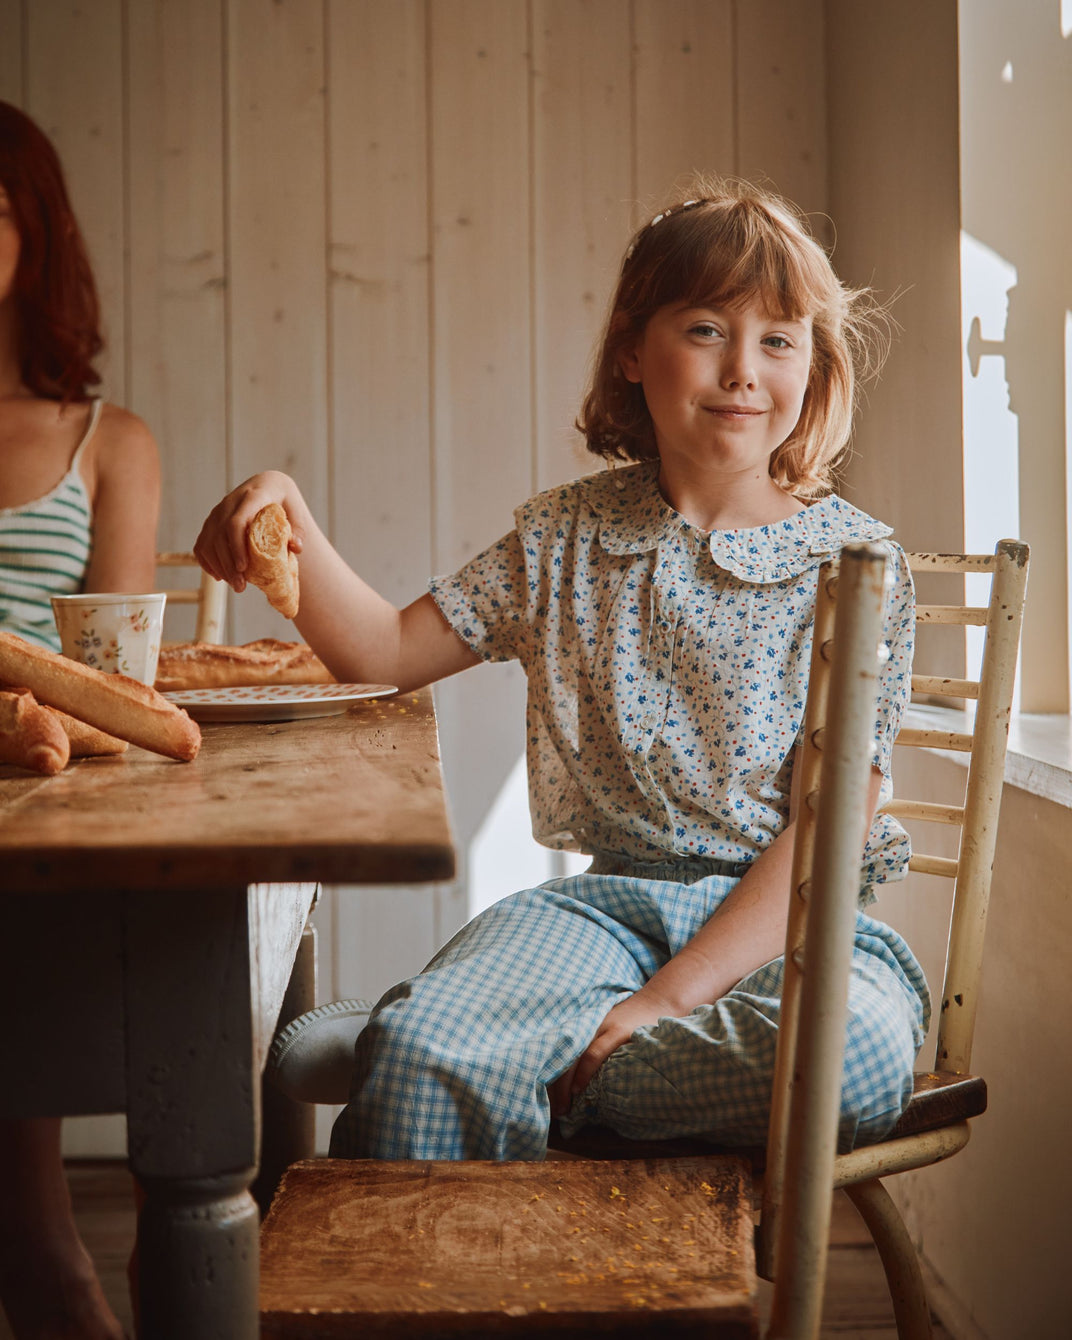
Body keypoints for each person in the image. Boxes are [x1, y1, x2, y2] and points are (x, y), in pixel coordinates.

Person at [195, 177, 929, 1165]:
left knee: (851, 1065)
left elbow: (832, 822)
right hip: (603, 913)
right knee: (422, 1064)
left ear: (812, 365)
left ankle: (482, 1053)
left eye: (777, 339)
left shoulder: (854, 566)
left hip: (791, 923)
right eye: (706, 328)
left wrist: (662, 1002)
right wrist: (285, 502)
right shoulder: (561, 540)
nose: (742, 370)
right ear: (633, 348)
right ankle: (438, 1044)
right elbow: (382, 652)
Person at [0, 100, 161, 1340]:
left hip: (48, 778)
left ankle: (38, 1230)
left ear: (34, 236)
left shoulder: (111, 441)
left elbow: (108, 676)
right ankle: (40, 1243)